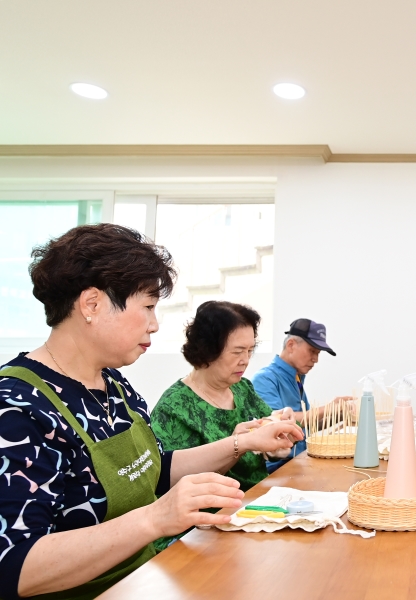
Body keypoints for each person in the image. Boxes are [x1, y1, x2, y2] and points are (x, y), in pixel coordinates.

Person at [0, 224, 303, 600]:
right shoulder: (18, 407)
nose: (155, 324)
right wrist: (154, 519)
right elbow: (13, 565)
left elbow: (155, 471)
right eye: (147, 307)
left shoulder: (114, 386)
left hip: (146, 581)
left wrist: (240, 443)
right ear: (91, 304)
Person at [151, 301, 301, 491]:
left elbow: (266, 446)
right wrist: (237, 445)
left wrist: (278, 431)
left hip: (259, 498)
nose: (245, 361)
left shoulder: (242, 389)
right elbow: (171, 481)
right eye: (238, 352)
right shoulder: (174, 408)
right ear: (207, 350)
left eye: (250, 351)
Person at [252, 318, 344, 471]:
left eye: (318, 353)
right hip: (278, 468)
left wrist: (339, 414)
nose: (316, 359)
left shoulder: (297, 378)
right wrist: (327, 408)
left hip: (300, 462)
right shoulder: (265, 379)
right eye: (312, 351)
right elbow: (277, 425)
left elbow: (304, 426)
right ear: (291, 345)